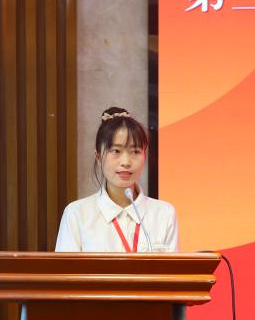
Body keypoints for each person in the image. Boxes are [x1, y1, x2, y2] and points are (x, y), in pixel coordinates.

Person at [55, 107, 178, 252]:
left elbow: (171, 267)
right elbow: (67, 267)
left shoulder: (164, 213)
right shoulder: (76, 214)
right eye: (116, 151)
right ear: (98, 157)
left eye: (135, 151)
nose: (126, 162)